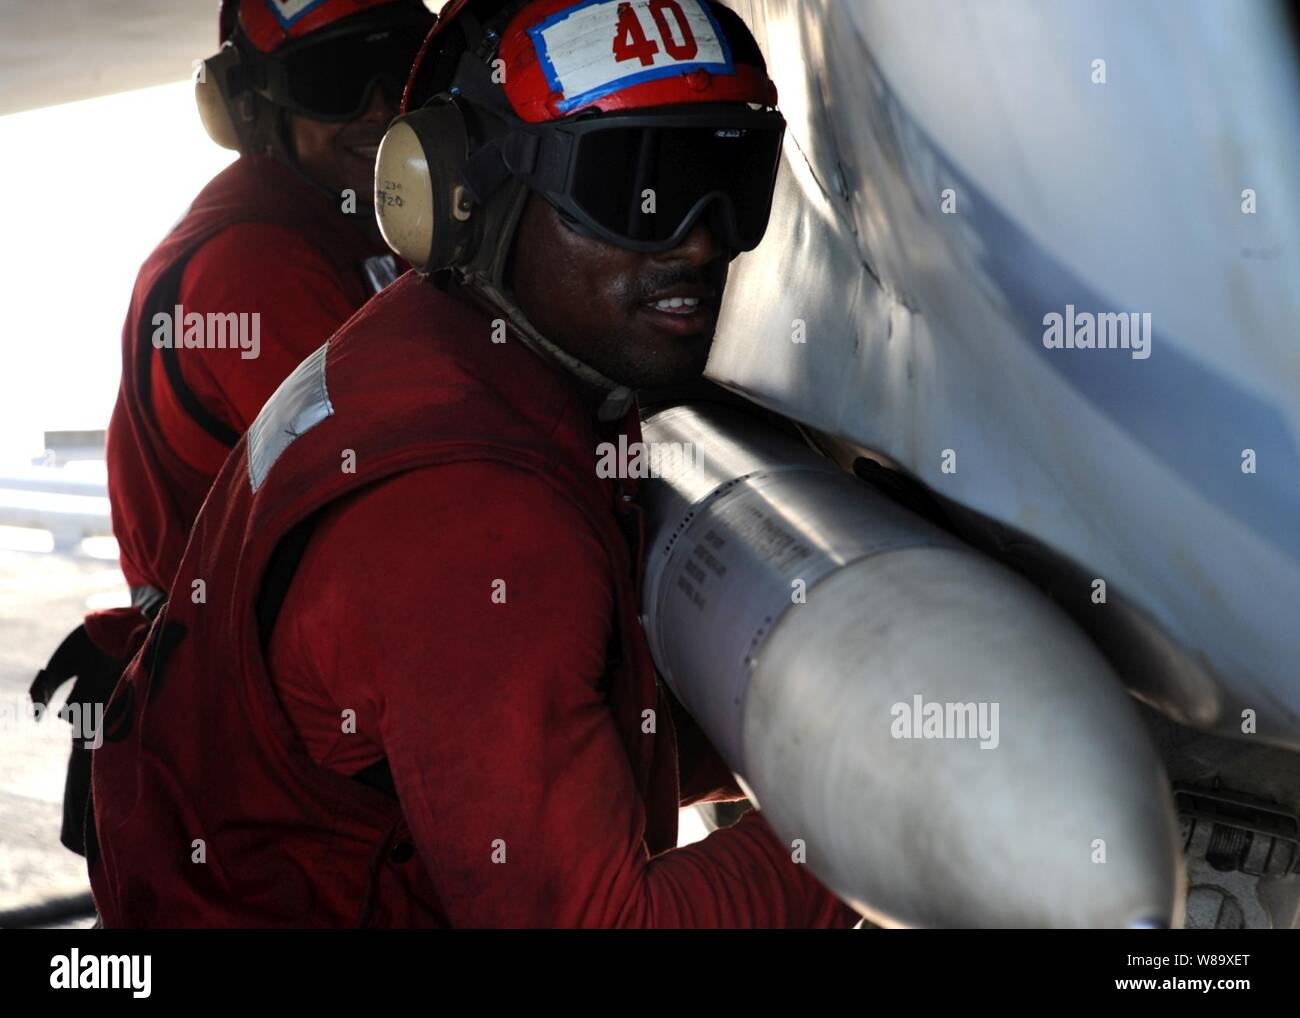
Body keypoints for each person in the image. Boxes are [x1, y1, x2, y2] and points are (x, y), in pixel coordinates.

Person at [89, 0, 858, 928]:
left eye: (727, 174)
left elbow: (541, 710)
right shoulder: (479, 517)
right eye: (628, 188)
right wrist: (879, 811)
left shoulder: (429, 339)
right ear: (468, 194)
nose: (696, 239)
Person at [30, 0, 435, 857]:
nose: (374, 108)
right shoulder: (256, 259)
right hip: (258, 760)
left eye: (397, 68)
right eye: (333, 79)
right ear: (252, 107)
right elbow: (407, 511)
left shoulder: (353, 221)